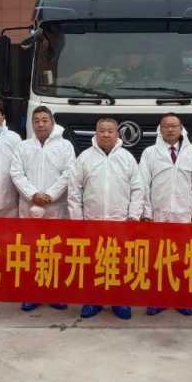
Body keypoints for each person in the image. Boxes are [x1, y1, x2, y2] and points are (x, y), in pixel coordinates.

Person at [68, 117, 144, 320]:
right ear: (96, 133)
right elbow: (74, 191)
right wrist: (77, 220)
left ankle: (120, 301)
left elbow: (138, 189)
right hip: (92, 220)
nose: (106, 134)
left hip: (120, 221)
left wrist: (133, 216)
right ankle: (93, 300)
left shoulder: (127, 158)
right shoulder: (85, 158)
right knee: (93, 262)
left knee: (120, 262)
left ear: (117, 133)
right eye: (102, 131)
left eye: (110, 131)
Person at [140, 113, 192, 317]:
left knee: (183, 258)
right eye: (166, 126)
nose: (170, 130)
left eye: (174, 126)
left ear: (181, 129)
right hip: (158, 215)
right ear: (160, 130)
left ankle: (181, 299)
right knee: (158, 258)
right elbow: (143, 185)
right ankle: (158, 299)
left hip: (184, 215)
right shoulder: (150, 153)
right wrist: (146, 212)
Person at [10, 105, 75, 312]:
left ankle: (55, 294)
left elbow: (69, 173)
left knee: (55, 251)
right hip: (30, 206)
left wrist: (50, 195)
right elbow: (16, 173)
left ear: (52, 123)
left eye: (45, 120)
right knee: (32, 251)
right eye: (36, 121)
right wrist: (33, 194)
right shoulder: (23, 147)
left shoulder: (65, 146)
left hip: (55, 208)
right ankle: (32, 294)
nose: (40, 124)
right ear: (32, 124)